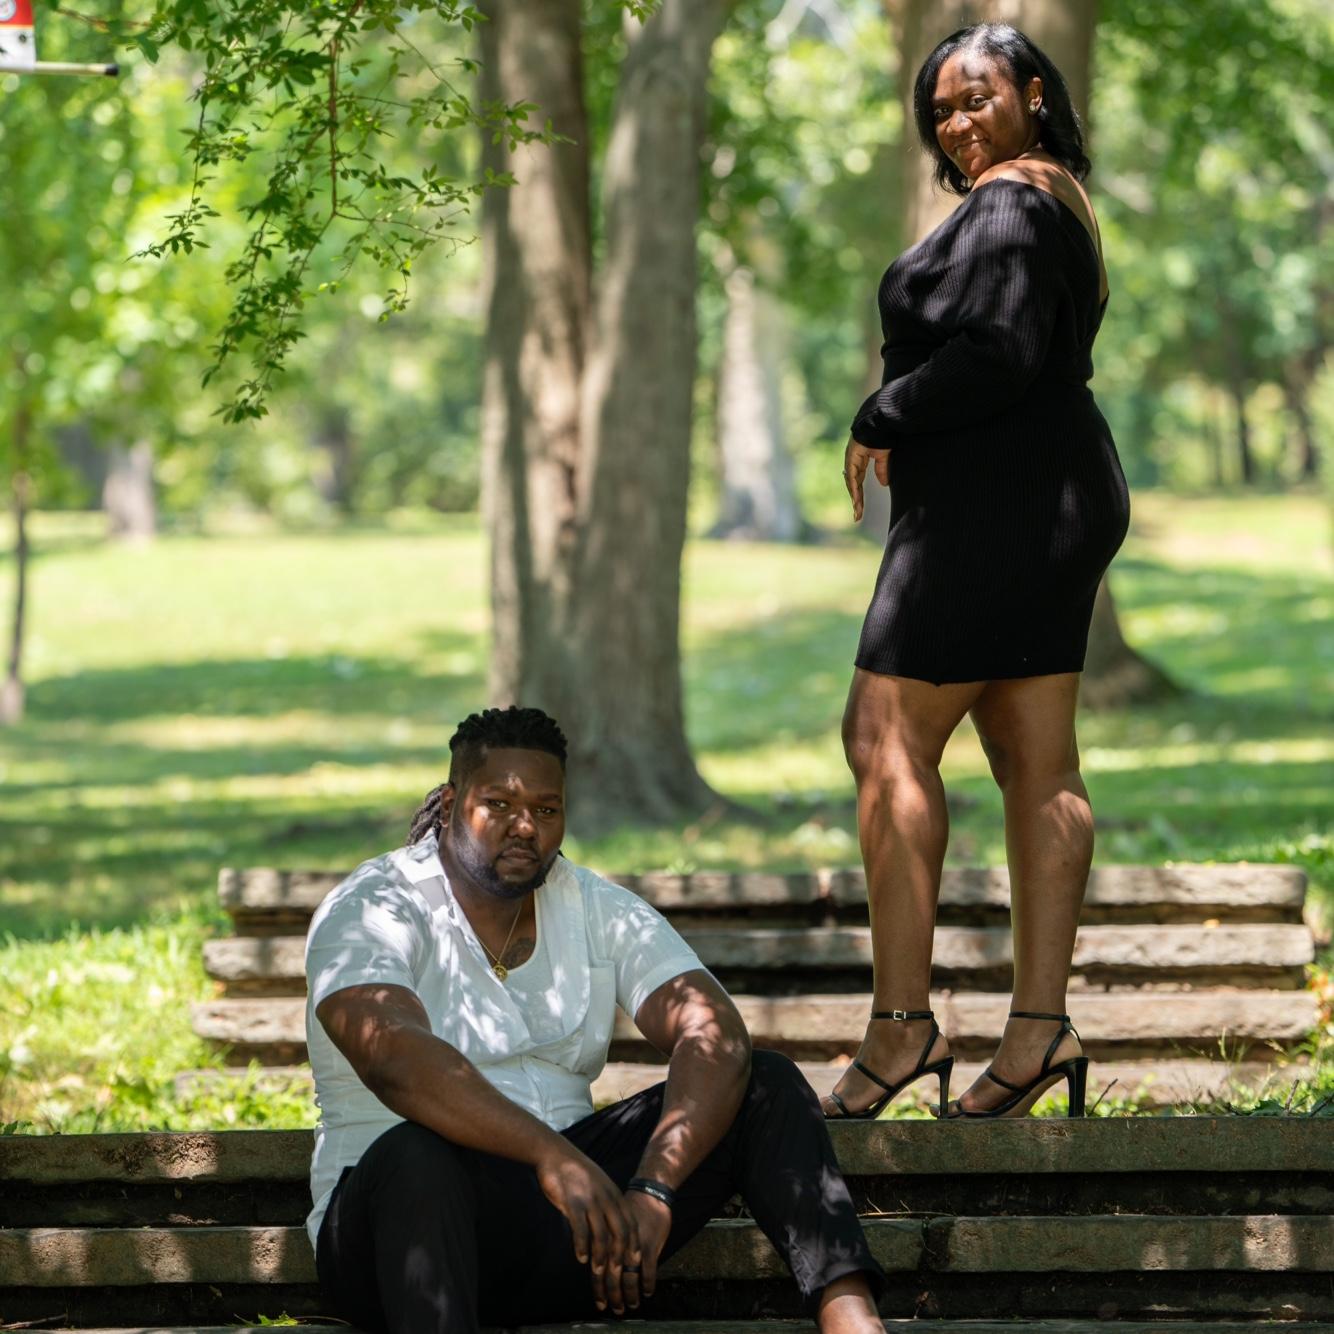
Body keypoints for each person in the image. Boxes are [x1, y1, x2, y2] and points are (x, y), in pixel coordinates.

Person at [305, 705, 886, 1333]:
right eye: (498, 804)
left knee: (764, 1082)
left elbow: (712, 1030)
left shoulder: (592, 905)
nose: (524, 826)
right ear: (449, 805)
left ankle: (852, 1320)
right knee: (417, 1155)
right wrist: (550, 1154)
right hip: (393, 1236)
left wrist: (655, 1185)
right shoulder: (374, 905)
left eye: (546, 809)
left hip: (567, 1232)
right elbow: (393, 1056)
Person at [824, 24, 1128, 1123]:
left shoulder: (1008, 203)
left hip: (994, 505)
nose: (955, 122)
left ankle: (901, 1028)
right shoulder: (1053, 198)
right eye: (939, 108)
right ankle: (1037, 1032)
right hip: (1046, 493)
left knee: (883, 737)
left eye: (976, 97)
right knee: (1035, 758)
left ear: (1033, 94)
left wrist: (881, 412)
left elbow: (996, 349)